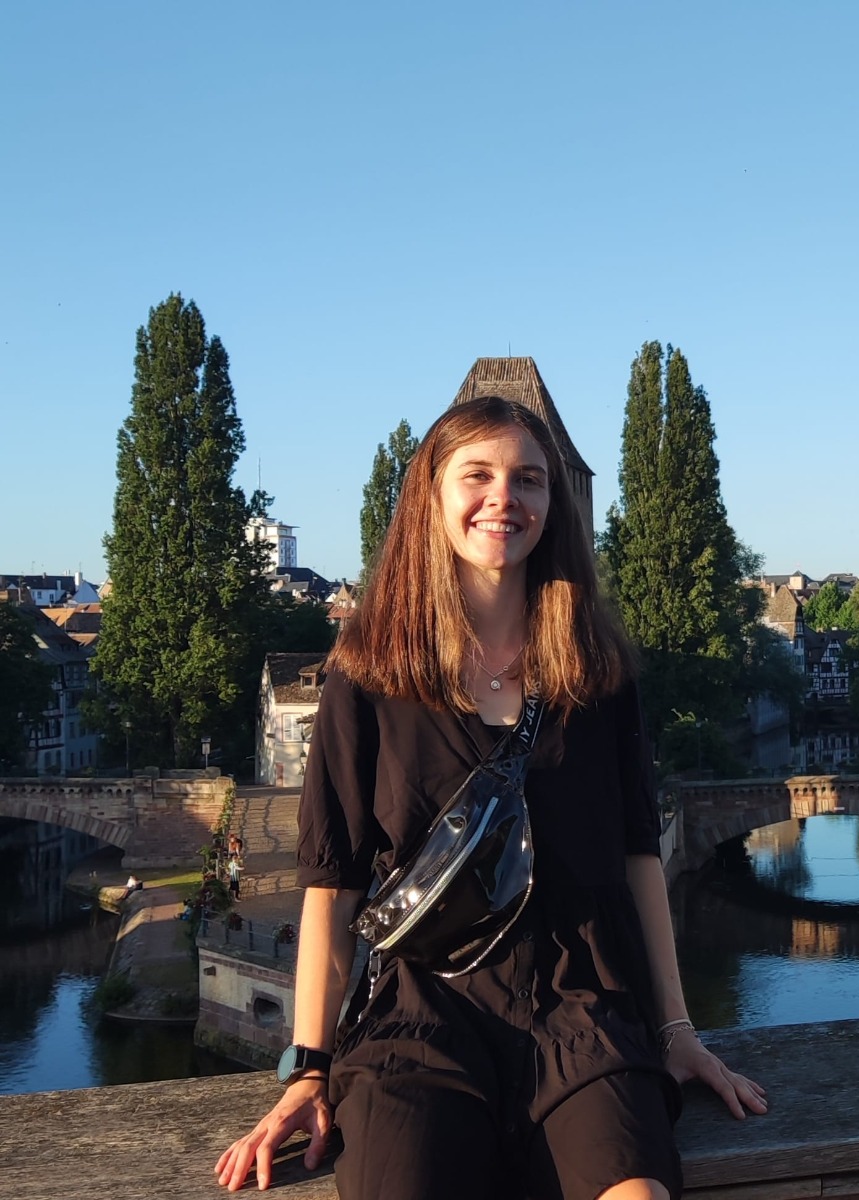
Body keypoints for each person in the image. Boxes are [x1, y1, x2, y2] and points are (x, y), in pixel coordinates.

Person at [216, 397, 765, 1199]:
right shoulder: (367, 677)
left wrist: (676, 1029)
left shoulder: (597, 674)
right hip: (421, 1016)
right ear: (432, 497)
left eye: (528, 480)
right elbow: (332, 886)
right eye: (477, 474)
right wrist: (307, 1068)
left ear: (553, 504)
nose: (504, 497)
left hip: (583, 1010)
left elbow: (637, 857)